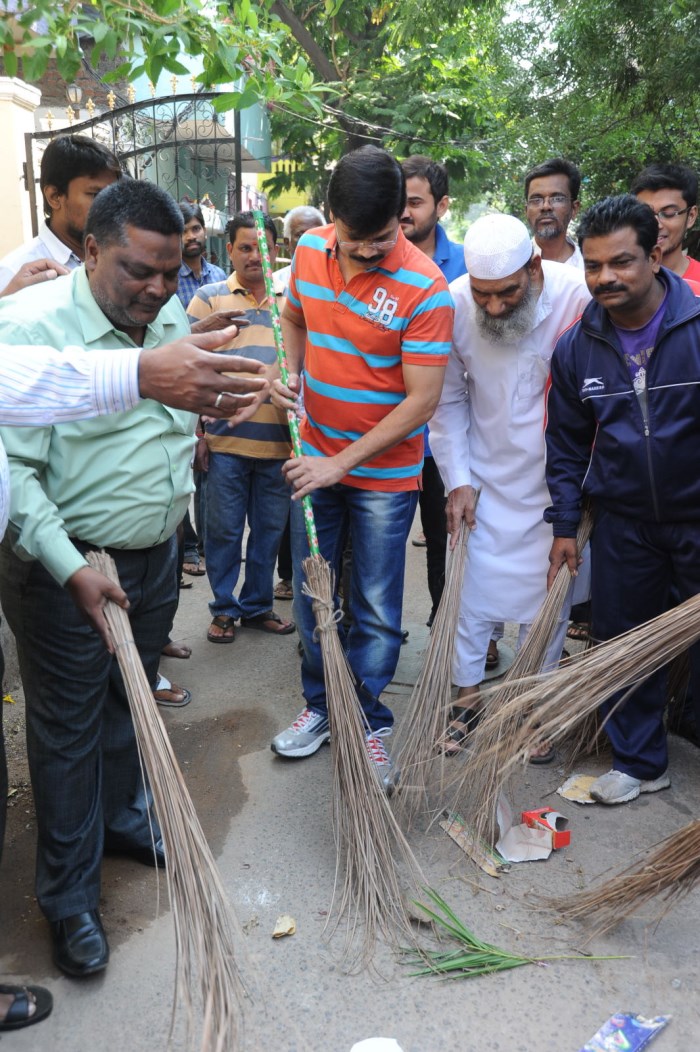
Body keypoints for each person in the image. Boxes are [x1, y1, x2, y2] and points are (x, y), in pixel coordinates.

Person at [0, 179, 265, 978]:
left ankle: (119, 817)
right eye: (136, 272)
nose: (155, 290)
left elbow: (176, 413)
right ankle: (69, 897)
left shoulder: (167, 311)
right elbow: (13, 477)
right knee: (68, 730)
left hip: (152, 559)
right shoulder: (28, 330)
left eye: (169, 270)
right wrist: (71, 566)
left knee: (129, 698)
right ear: (88, 250)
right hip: (68, 569)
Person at [244, 145, 453, 786]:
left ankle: (368, 719)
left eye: (382, 237)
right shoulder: (309, 252)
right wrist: (290, 372)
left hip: (381, 477)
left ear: (404, 217)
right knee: (313, 594)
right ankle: (321, 705)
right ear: (332, 216)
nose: (367, 250)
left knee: (375, 606)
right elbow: (292, 315)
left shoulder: (426, 287)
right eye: (355, 238)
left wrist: (341, 465)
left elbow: (422, 401)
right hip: (314, 456)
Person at [545, 193, 700, 804]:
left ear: (657, 254)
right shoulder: (577, 346)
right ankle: (639, 762)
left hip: (697, 520)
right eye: (593, 265)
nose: (605, 277)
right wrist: (563, 523)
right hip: (624, 525)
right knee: (620, 643)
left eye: (621, 262)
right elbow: (565, 443)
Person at [429, 213, 590, 756]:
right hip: (484, 476)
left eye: (507, 293)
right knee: (471, 594)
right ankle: (466, 698)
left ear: (535, 267)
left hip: (558, 482)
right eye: (484, 295)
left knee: (548, 599)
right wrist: (457, 480)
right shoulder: (453, 303)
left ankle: (531, 708)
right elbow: (446, 399)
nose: (494, 308)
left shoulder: (577, 294)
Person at [187, 211, 294, 642]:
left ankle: (257, 606)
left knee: (269, 532)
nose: (255, 256)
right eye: (245, 247)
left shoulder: (293, 300)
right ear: (228, 249)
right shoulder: (209, 299)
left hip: (279, 446)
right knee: (224, 532)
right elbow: (187, 368)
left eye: (263, 247)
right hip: (224, 444)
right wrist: (197, 432)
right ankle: (224, 609)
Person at [400, 155, 466, 629]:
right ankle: (357, 633)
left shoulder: (466, 266)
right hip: (386, 434)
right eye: (397, 202)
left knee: (451, 540)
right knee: (371, 543)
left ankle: (454, 633)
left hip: (446, 441)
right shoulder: (371, 257)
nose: (404, 212)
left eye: (415, 202)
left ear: (441, 205)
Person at [0, 134, 121, 293]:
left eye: (113, 195)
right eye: (95, 195)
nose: (110, 206)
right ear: (54, 197)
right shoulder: (13, 275)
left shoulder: (121, 257)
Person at [631, 163, 700, 282]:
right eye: (646, 213)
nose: (656, 224)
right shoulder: (621, 283)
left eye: (669, 213)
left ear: (691, 216)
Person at [525, 158, 584, 269]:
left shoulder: (588, 267)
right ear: (526, 210)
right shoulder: (513, 266)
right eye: (536, 200)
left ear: (574, 208)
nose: (546, 206)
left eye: (557, 198)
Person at [176, 200, 227, 309]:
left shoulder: (219, 275)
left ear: (204, 231)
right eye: (184, 231)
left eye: (196, 229)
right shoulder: (171, 280)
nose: (191, 236)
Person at [275, 205, 326, 293]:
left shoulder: (337, 284)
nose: (309, 241)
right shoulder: (273, 285)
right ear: (287, 243)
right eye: (300, 235)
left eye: (316, 235)